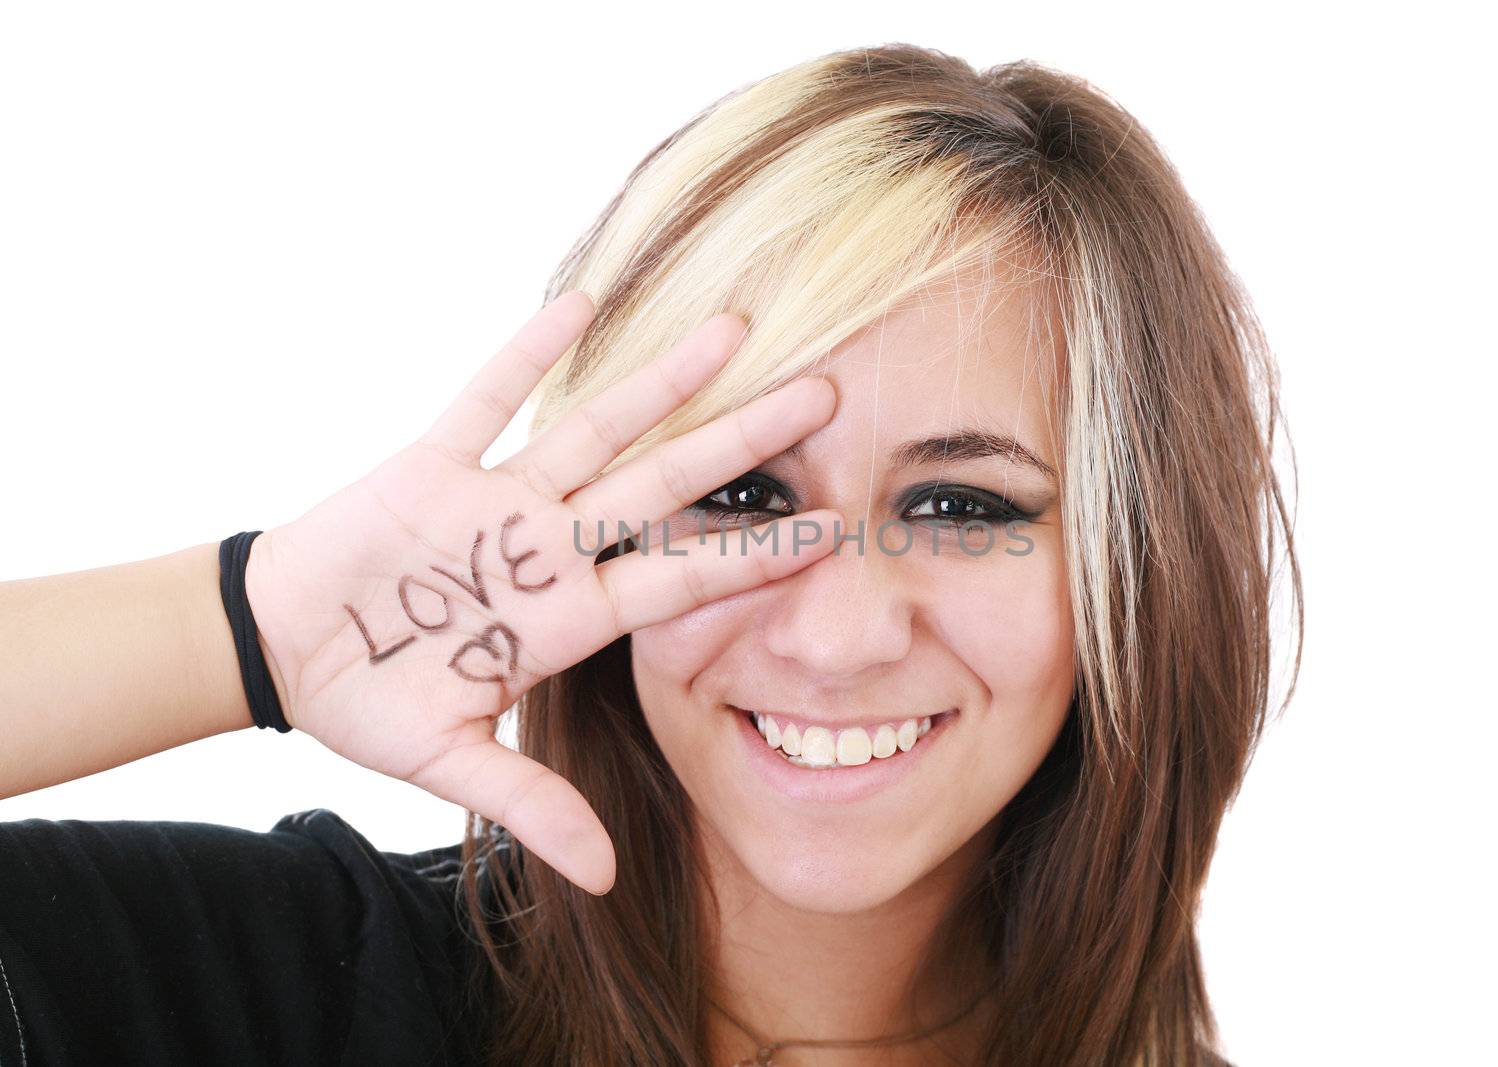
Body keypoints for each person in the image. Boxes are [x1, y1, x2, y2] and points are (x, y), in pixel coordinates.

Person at [0, 43, 1302, 1067]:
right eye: (741, 491)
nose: (837, 633)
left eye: (962, 506)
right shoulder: (294, 995)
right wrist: (251, 630)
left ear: (1136, 569)